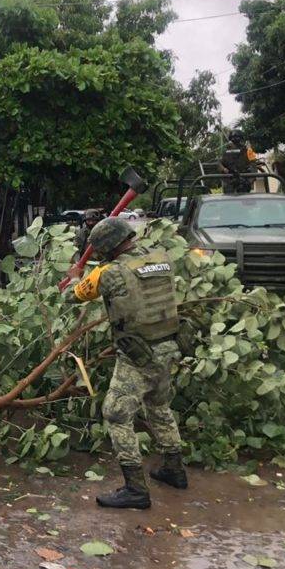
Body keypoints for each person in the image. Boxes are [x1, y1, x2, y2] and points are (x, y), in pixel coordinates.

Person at [68, 217, 187, 510]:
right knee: (158, 407)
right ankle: (175, 470)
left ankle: (135, 489)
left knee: (116, 413)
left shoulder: (109, 273)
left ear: (106, 247)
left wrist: (74, 275)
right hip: (170, 345)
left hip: (138, 354)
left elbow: (74, 295)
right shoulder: (162, 259)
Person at [220, 129, 257, 194]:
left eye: (237, 137)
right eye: (233, 138)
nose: (235, 139)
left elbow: (253, 166)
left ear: (241, 138)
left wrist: (249, 181)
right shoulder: (226, 151)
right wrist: (223, 169)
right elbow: (219, 163)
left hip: (244, 180)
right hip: (230, 180)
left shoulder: (248, 150)